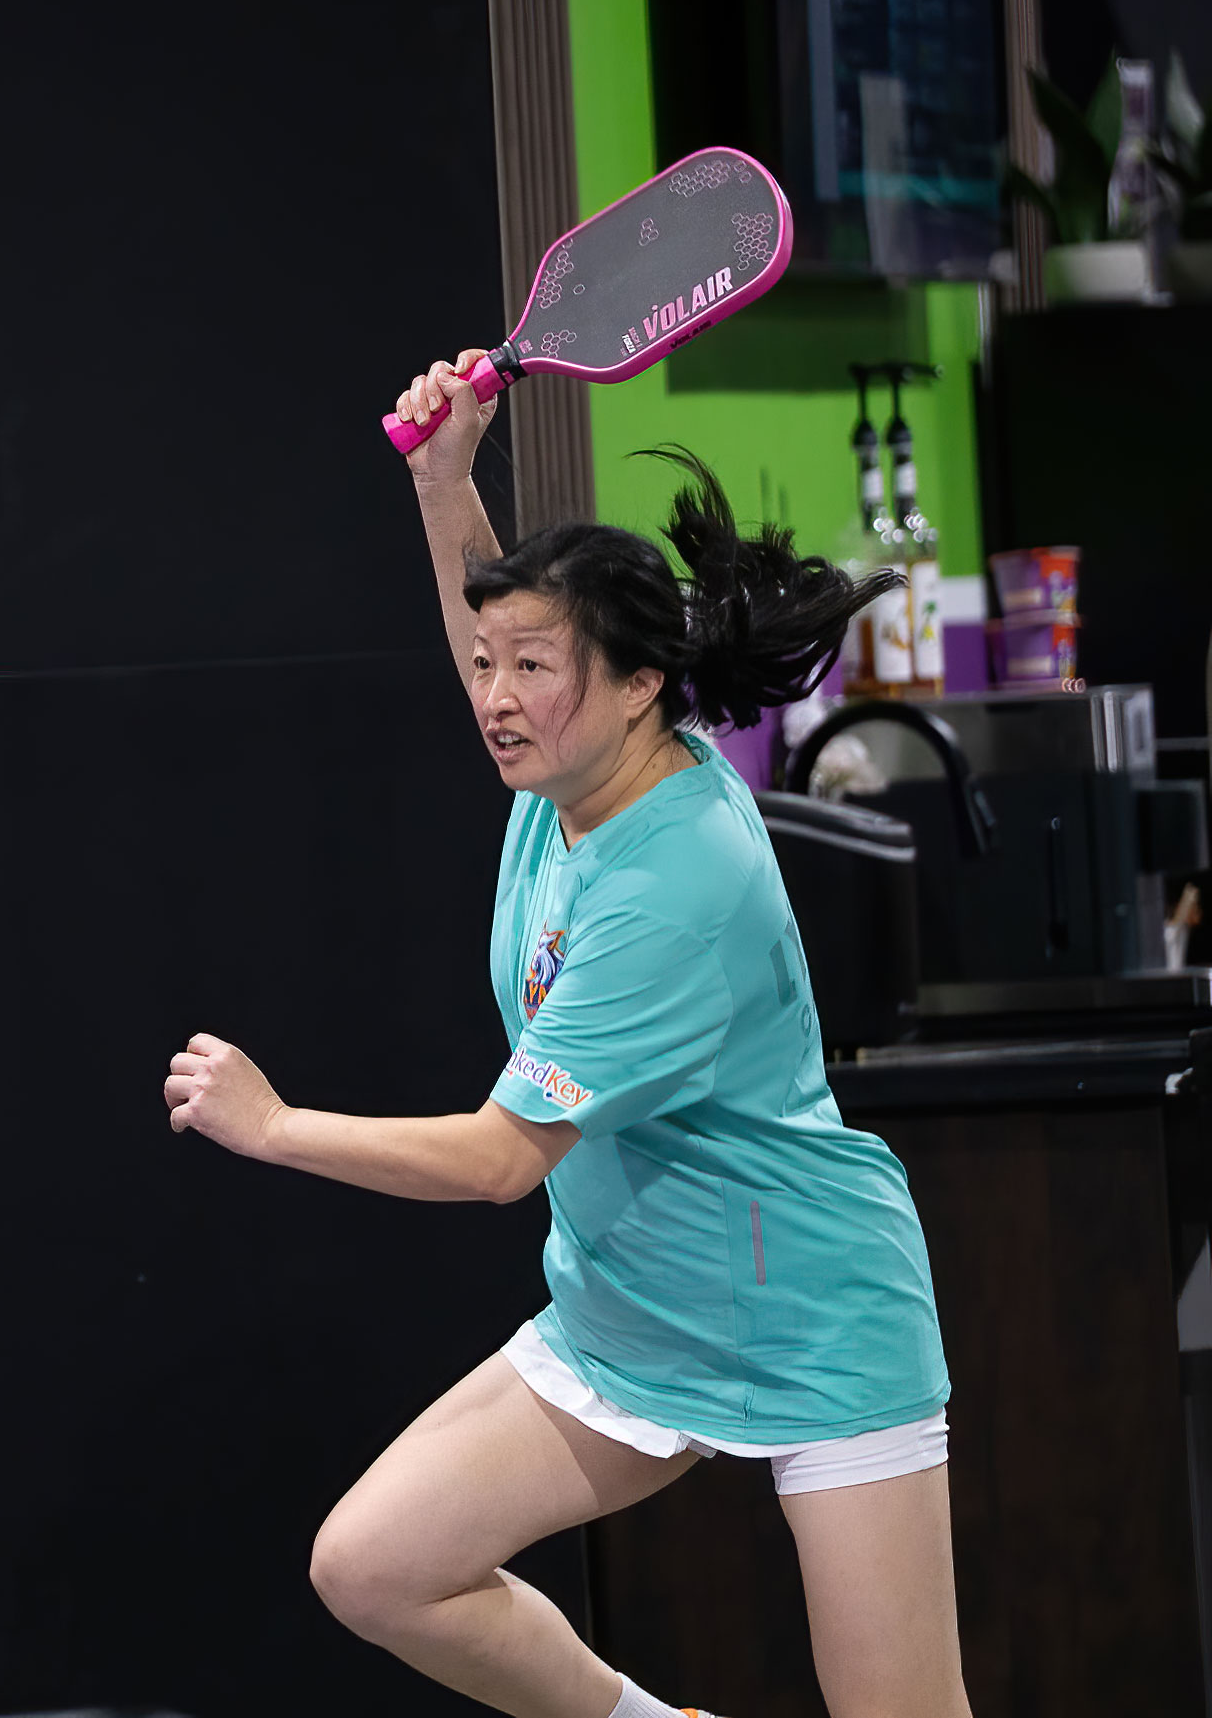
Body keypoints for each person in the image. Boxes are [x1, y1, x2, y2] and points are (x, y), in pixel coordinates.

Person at [158, 352, 970, 1718]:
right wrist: (444, 479)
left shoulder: (675, 882)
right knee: (376, 1567)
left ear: (641, 683)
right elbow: (498, 623)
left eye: (533, 670)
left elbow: (499, 1161)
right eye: (489, 667)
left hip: (810, 1314)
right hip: (632, 1310)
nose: (495, 695)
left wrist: (277, 1126)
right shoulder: (566, 772)